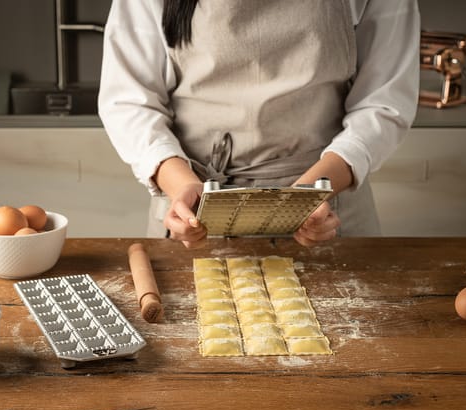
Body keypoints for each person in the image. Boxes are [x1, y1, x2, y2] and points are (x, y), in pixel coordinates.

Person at [98, 0, 420, 248]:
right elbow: (129, 101)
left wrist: (311, 193)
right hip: (195, 213)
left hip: (325, 209)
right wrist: (182, 186)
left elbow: (383, 102)